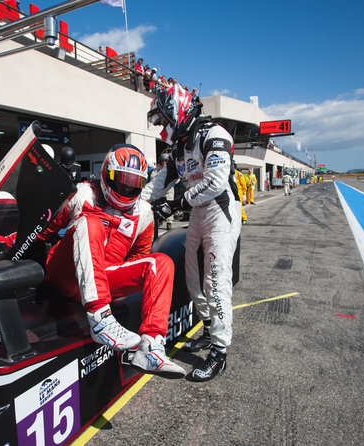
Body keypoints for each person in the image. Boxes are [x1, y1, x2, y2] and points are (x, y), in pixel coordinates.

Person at [40, 143, 186, 378]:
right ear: (107, 174)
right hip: (66, 273)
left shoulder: (144, 214)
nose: (127, 186)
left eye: (134, 182)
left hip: (103, 279)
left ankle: (151, 346)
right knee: (91, 223)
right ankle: (100, 320)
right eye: (122, 180)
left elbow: (138, 260)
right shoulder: (83, 193)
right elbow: (43, 228)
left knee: (161, 263)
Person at [144, 85, 242, 382]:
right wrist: (130, 203)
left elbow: (214, 182)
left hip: (221, 211)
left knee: (215, 277)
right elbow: (157, 185)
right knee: (191, 275)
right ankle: (210, 328)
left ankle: (220, 351)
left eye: (163, 120)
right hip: (199, 212)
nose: (162, 127)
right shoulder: (179, 149)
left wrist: (174, 204)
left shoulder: (214, 135)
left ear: (178, 111)